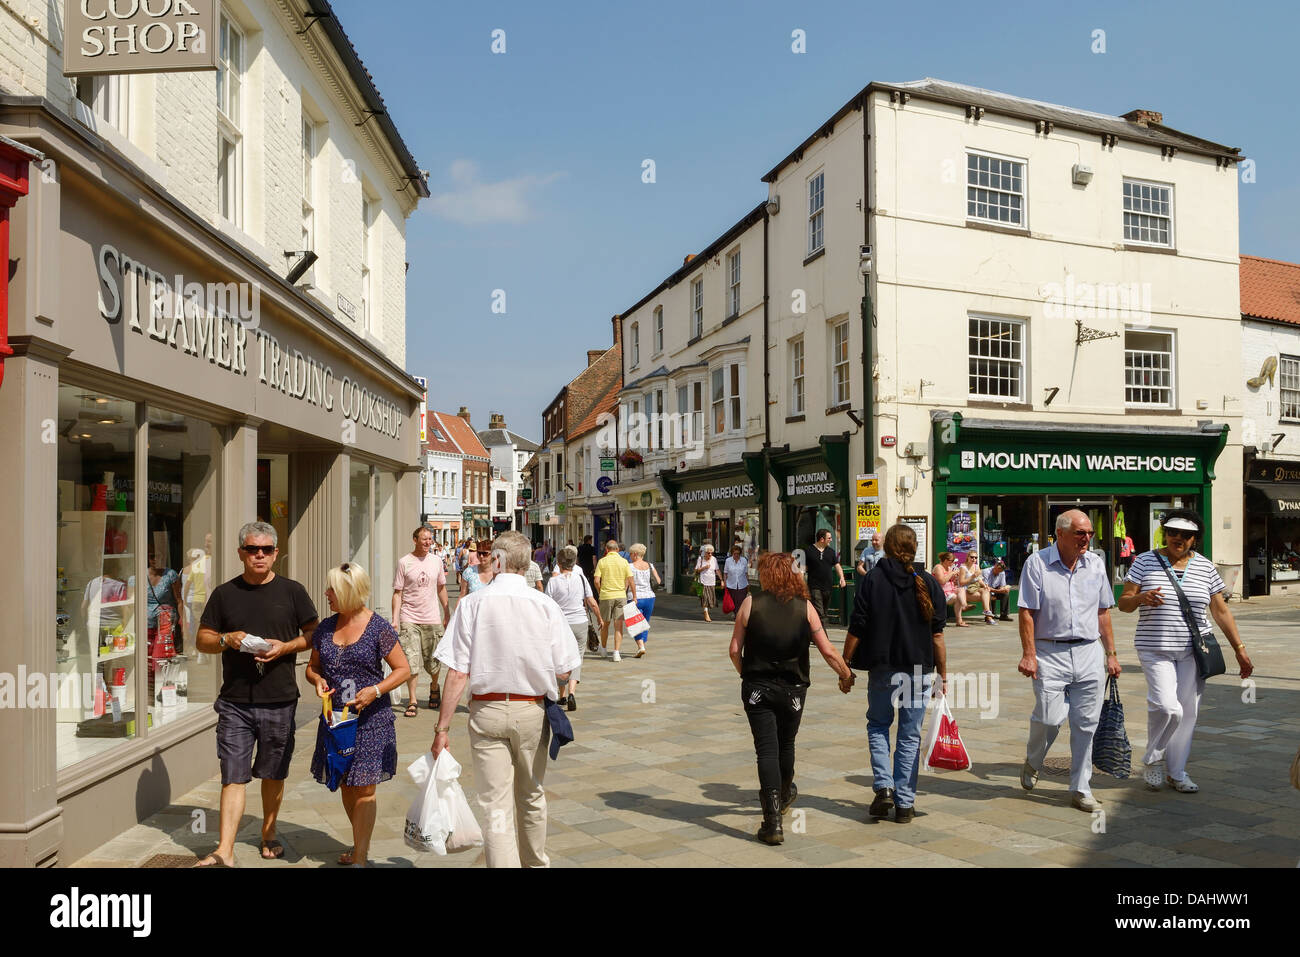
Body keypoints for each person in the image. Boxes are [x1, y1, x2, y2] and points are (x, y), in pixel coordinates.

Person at [431, 532, 581, 868]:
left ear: (497, 561)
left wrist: (441, 728)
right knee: (531, 796)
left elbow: (456, 673)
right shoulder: (544, 605)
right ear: (526, 563)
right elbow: (565, 669)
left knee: (495, 804)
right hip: (532, 710)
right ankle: (536, 864)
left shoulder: (472, 604)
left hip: (487, 708)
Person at [193, 521, 319, 866]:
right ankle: (225, 850)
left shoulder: (293, 591)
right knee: (233, 774)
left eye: (265, 550)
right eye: (252, 549)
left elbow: (315, 634)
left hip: (279, 699)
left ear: (276, 553)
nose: (259, 555)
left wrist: (286, 647)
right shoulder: (224, 593)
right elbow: (202, 640)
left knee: (273, 772)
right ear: (241, 553)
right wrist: (225, 639)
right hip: (235, 701)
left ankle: (268, 832)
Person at [1116, 509, 1253, 793]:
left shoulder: (1205, 567)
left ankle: (1176, 772)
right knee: (1167, 707)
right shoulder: (1144, 561)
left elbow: (1220, 610)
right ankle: (1153, 759)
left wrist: (1239, 648)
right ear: (1164, 533)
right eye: (1172, 532)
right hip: (1155, 647)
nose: (1178, 538)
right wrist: (1141, 597)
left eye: (1185, 535)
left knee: (1188, 712)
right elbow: (1124, 603)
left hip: (1194, 648)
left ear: (1195, 539)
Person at [729, 552, 853, 845]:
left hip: (758, 688)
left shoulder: (750, 603)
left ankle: (772, 823)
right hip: (793, 690)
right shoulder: (805, 607)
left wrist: (747, 674)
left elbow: (735, 649)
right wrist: (846, 674)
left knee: (766, 751)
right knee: (786, 743)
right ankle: (784, 795)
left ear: (767, 574)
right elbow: (827, 650)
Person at [1016, 509, 1121, 812]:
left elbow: (1103, 612)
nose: (1086, 538)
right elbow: (1026, 612)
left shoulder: (1096, 564)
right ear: (1059, 534)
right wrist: (1029, 654)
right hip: (1050, 650)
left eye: (1089, 533)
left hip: (1089, 651)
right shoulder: (1037, 564)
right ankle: (1035, 759)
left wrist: (1111, 654)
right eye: (1080, 533)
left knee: (1087, 723)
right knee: (1049, 718)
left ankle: (1080, 787)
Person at [842, 524, 948, 823]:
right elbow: (938, 635)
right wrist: (943, 675)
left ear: (886, 547)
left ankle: (884, 787)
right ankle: (904, 803)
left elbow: (858, 625)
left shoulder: (874, 579)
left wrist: (844, 664)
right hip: (918, 669)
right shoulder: (926, 581)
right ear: (914, 548)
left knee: (878, 725)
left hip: (884, 668)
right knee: (909, 735)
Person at [307, 563, 409, 867]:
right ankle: (358, 843)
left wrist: (375, 691)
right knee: (347, 784)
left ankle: (360, 856)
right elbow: (313, 667)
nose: (326, 594)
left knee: (365, 788)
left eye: (332, 590)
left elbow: (403, 669)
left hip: (371, 720)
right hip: (337, 720)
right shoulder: (325, 627)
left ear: (349, 592)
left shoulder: (378, 627)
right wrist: (317, 681)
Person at [392, 525, 451, 717]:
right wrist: (395, 619)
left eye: (430, 539)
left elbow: (441, 587)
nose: (428, 542)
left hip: (432, 617)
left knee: (434, 661)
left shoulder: (436, 561)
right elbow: (397, 593)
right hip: (409, 617)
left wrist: (446, 611)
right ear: (415, 540)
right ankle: (413, 700)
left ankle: (434, 686)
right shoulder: (404, 562)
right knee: (411, 659)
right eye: (424, 539)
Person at [547, 545, 603, 707]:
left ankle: (562, 695)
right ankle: (572, 693)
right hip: (580, 622)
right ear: (574, 562)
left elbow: (548, 606)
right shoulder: (581, 578)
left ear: (559, 563)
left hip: (561, 624)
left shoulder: (553, 582)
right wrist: (599, 617)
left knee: (560, 657)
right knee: (577, 658)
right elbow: (591, 601)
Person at [594, 539, 634, 660]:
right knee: (619, 625)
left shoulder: (602, 562)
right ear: (617, 549)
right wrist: (630, 593)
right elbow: (630, 579)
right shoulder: (624, 562)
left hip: (606, 596)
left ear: (606, 549)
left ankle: (604, 650)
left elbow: (596, 581)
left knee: (605, 624)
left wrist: (600, 591)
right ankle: (616, 652)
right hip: (620, 596)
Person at [804, 529, 846, 627]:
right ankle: (823, 638)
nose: (831, 540)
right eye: (829, 538)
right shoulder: (809, 550)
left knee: (824, 612)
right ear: (822, 539)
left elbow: (837, 566)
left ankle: (813, 634)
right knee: (820, 612)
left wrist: (842, 578)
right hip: (814, 586)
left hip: (827, 586)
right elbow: (803, 568)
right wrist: (801, 582)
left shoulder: (831, 552)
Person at [146, 548, 183, 652]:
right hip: (146, 623)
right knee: (146, 655)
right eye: (152, 556)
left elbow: (179, 600)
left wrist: (182, 621)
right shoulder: (141, 574)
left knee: (161, 653)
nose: (155, 559)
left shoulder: (170, 575)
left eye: (158, 556)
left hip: (165, 623)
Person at [628, 543, 661, 657]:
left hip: (634, 597)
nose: (630, 556)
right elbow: (658, 581)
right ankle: (642, 645)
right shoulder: (650, 565)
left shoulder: (630, 567)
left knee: (634, 623)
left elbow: (626, 584)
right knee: (645, 623)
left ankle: (641, 646)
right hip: (649, 597)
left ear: (636, 554)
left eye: (631, 554)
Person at [932, 552, 969, 627]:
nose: (953, 563)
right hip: (941, 593)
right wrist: (952, 573)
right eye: (952, 561)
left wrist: (955, 578)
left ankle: (965, 605)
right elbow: (942, 581)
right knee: (957, 598)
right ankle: (959, 620)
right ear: (945, 560)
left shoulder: (949, 568)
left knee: (961, 589)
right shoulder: (938, 567)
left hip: (951, 591)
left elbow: (952, 582)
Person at [959, 551, 995, 625]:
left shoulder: (976, 566)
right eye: (972, 557)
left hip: (975, 587)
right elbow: (961, 582)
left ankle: (987, 612)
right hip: (965, 590)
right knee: (985, 596)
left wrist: (985, 585)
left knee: (986, 590)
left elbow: (979, 580)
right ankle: (988, 618)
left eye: (976, 557)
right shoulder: (963, 567)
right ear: (967, 557)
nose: (974, 559)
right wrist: (973, 576)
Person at [694, 544, 720, 623]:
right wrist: (704, 568)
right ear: (705, 553)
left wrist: (722, 580)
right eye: (708, 553)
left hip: (711, 581)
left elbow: (717, 570)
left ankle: (706, 610)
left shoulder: (714, 559)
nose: (710, 554)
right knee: (705, 597)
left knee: (710, 599)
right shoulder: (700, 559)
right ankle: (706, 613)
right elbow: (696, 570)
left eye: (711, 553)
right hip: (703, 582)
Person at [723, 543, 750, 617]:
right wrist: (725, 583)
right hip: (731, 584)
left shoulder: (744, 560)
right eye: (735, 553)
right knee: (734, 601)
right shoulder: (728, 561)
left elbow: (746, 573)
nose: (736, 555)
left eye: (738, 553)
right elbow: (725, 573)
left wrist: (748, 583)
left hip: (742, 584)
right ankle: (736, 613)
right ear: (732, 553)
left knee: (741, 600)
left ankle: (738, 615)